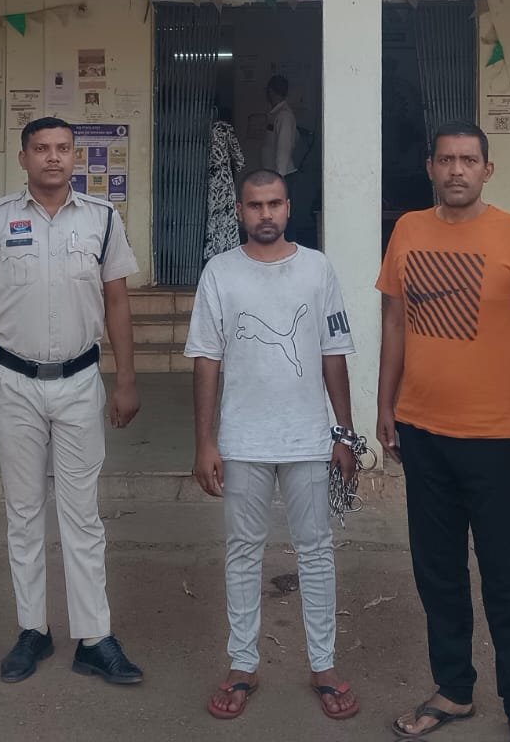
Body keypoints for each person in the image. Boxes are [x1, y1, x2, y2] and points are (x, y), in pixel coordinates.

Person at [377, 123, 510, 742]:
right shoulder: (408, 230)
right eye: (445, 159)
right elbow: (395, 325)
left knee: (508, 574)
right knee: (437, 572)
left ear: (487, 169)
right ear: (430, 168)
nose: (456, 170)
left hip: (498, 440)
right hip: (423, 432)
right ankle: (454, 688)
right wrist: (384, 405)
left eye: (467, 160)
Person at [0, 117, 146, 687]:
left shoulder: (103, 219)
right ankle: (32, 630)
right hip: (13, 383)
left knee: (83, 515)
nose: (53, 157)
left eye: (62, 148)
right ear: (23, 158)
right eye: (41, 149)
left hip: (79, 382)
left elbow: (117, 302)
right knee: (24, 511)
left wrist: (126, 378)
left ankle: (95, 638)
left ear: (74, 156)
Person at [187, 169, 361, 723]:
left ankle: (323, 665)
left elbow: (333, 353)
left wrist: (343, 432)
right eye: (255, 205)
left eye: (275, 203)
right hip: (243, 440)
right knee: (243, 551)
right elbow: (206, 360)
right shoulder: (220, 272)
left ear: (288, 207)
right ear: (240, 210)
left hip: (308, 438)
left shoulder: (317, 268)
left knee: (316, 550)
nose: (266, 214)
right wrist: (205, 441)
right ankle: (243, 665)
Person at [261, 75, 300, 238]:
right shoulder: (276, 114)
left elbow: (283, 148)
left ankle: (287, 245)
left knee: (282, 215)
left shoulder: (284, 116)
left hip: (282, 176)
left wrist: (279, 179)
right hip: (276, 175)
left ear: (271, 91)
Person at [204, 113, 245, 261]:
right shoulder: (224, 128)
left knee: (208, 216)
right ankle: (224, 250)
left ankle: (209, 251)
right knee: (224, 214)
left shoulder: (197, 126)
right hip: (221, 180)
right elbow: (239, 160)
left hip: (198, 181)